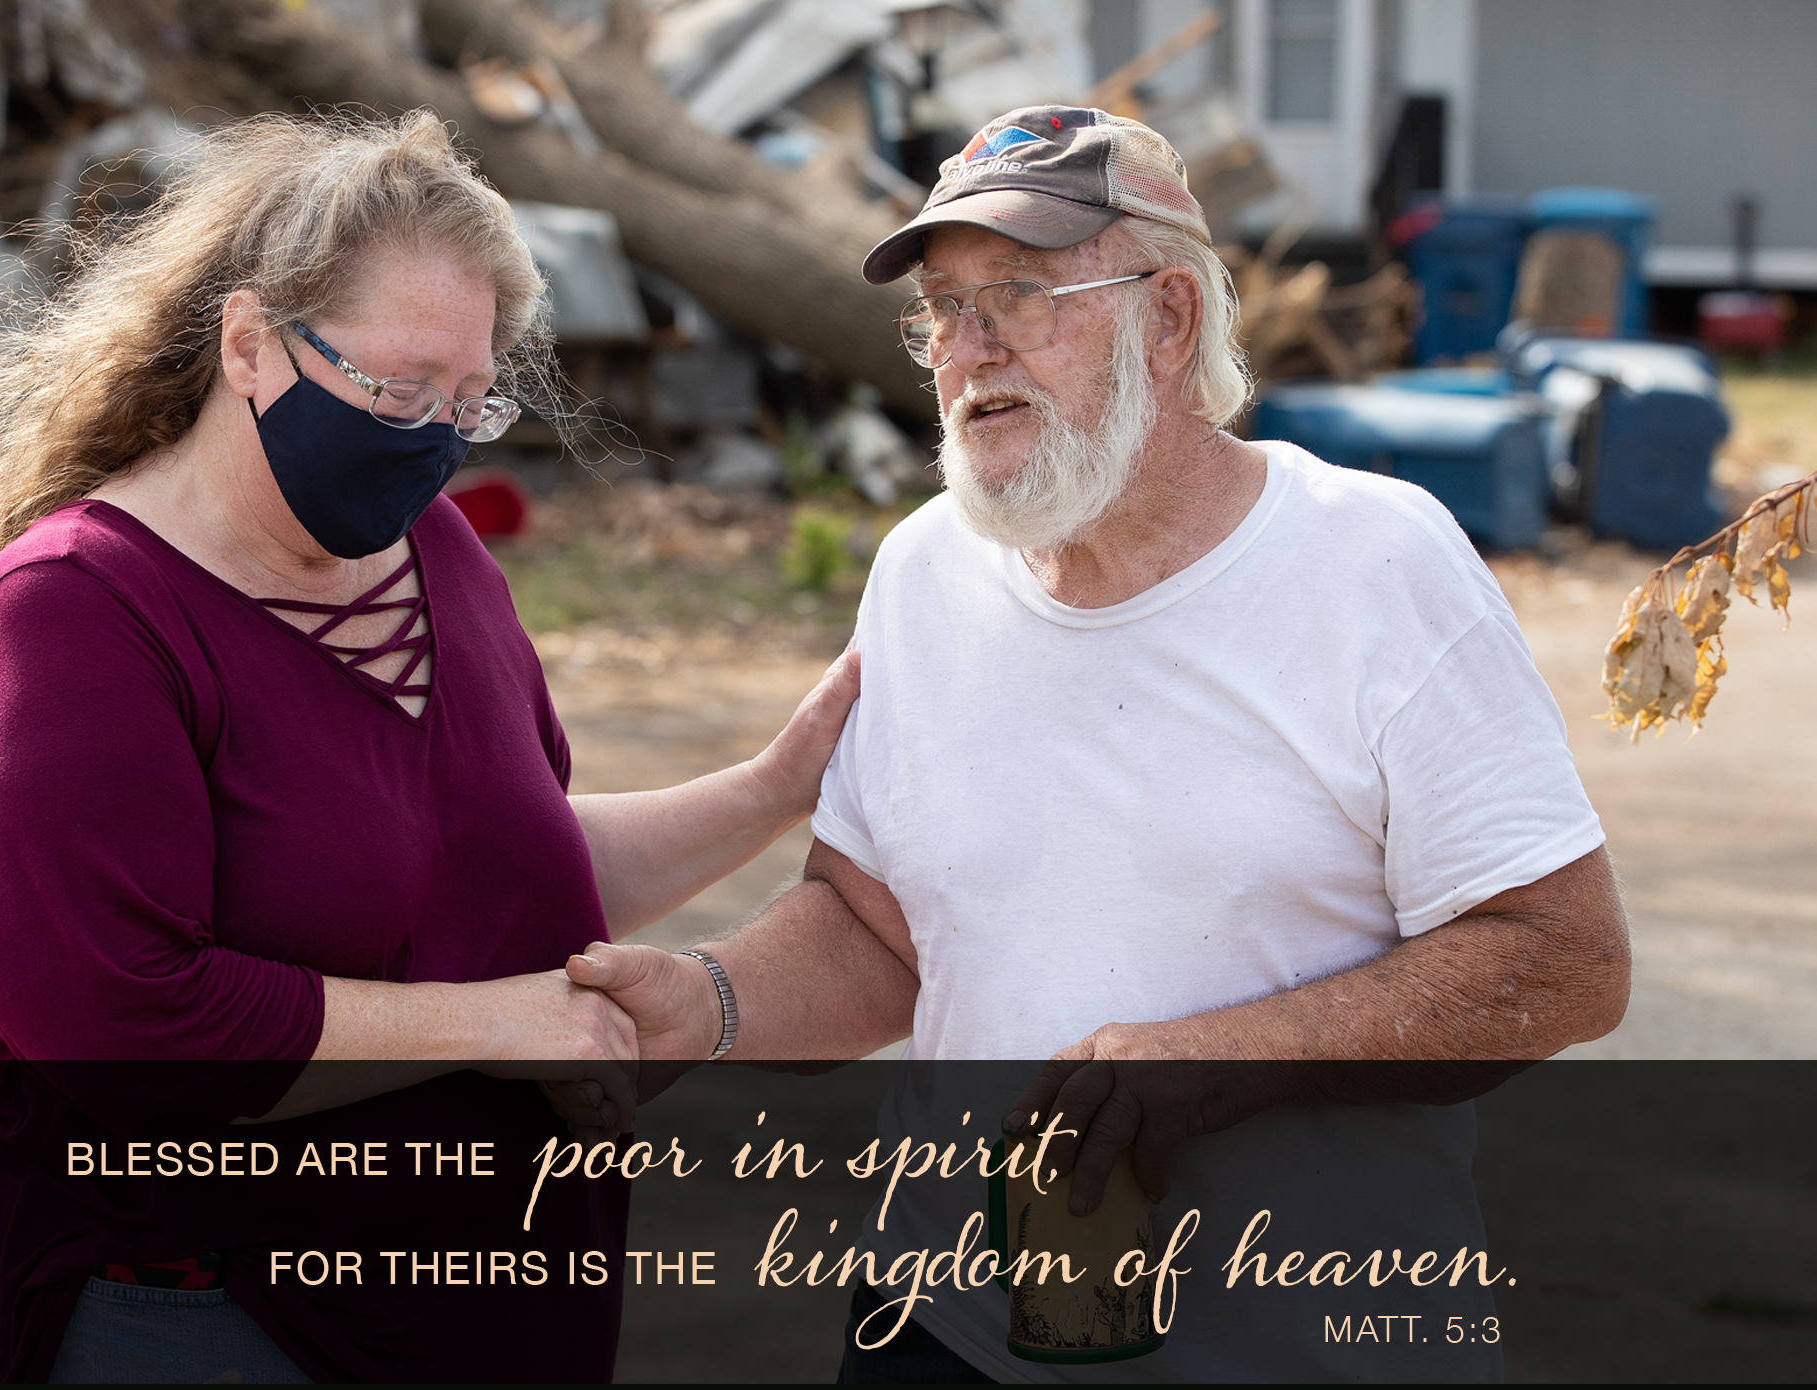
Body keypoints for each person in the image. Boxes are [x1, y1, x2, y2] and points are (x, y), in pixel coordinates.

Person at [570, 106, 1630, 1381]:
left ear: (1170, 319)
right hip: (943, 1326)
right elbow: (881, 929)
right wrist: (714, 998)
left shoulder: (1374, 563)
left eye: (1019, 296)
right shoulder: (925, 570)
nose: (970, 350)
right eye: (944, 311)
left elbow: (1565, 960)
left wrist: (1222, 1060)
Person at [0, 110, 856, 1384]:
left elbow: (507, 876)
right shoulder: (79, 611)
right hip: (161, 1311)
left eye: (470, 399)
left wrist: (778, 785)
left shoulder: (441, 556)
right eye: (393, 389)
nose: (430, 436)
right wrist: (501, 1025)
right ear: (250, 345)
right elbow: (125, 1025)